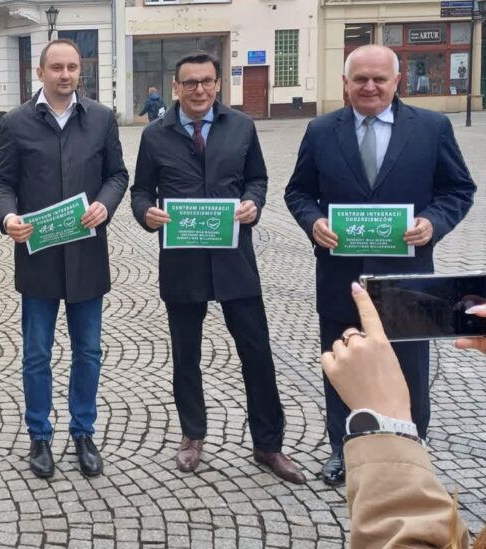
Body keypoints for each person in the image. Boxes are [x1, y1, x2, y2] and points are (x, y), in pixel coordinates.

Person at [284, 44, 476, 486]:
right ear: (345, 84)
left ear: (397, 82)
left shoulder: (431, 128)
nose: (369, 86)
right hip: (340, 278)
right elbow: (298, 193)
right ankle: (343, 450)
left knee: (409, 368)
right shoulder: (319, 130)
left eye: (379, 79)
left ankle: (410, 453)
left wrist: (433, 222)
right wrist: (314, 223)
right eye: (360, 79)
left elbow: (458, 190)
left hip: (405, 278)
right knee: (342, 365)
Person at [130, 52, 305, 484]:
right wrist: (147, 213)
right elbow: (139, 191)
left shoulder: (241, 127)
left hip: (234, 261)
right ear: (176, 87)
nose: (199, 90)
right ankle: (193, 435)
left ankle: (268, 444)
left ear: (219, 83)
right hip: (183, 262)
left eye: (207, 81)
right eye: (190, 83)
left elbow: (257, 179)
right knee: (186, 356)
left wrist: (254, 203)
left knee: (257, 354)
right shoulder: (155, 135)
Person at [0, 38, 128, 479]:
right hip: (39, 257)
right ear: (40, 72)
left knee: (88, 352)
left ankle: (83, 431)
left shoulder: (101, 119)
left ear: (78, 72)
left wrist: (107, 203)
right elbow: (2, 183)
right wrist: (7, 215)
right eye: (57, 68)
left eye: (72, 67)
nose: (65, 75)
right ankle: (40, 435)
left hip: (87, 256)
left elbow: (118, 174)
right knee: (37, 354)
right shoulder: (15, 123)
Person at [323, 283, 482, 548]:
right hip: (339, 284)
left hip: (409, 284)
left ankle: (411, 443)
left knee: (407, 382)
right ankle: (342, 451)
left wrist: (386, 427)